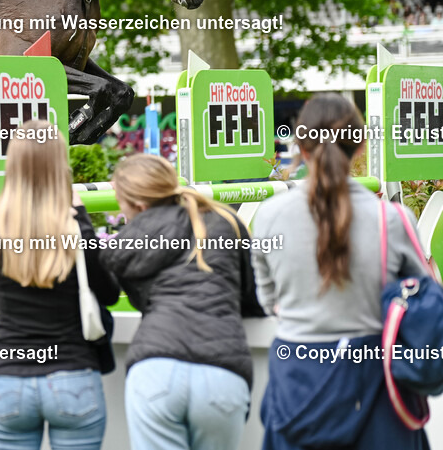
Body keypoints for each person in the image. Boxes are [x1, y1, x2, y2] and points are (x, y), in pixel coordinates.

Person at [252, 94, 429, 450]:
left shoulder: (269, 216)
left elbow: (268, 298)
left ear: (300, 145)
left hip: (296, 380)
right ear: (361, 145)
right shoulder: (392, 219)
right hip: (376, 385)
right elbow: (425, 299)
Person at [0, 119, 121, 450]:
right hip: (74, 377)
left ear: (12, 164)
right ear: (60, 164)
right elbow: (109, 294)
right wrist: (82, 220)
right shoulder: (75, 229)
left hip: (9, 381)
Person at [101, 154, 265, 450]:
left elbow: (138, 300)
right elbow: (249, 297)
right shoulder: (226, 221)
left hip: (155, 370)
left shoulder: (130, 242)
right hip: (222, 371)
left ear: (137, 204)